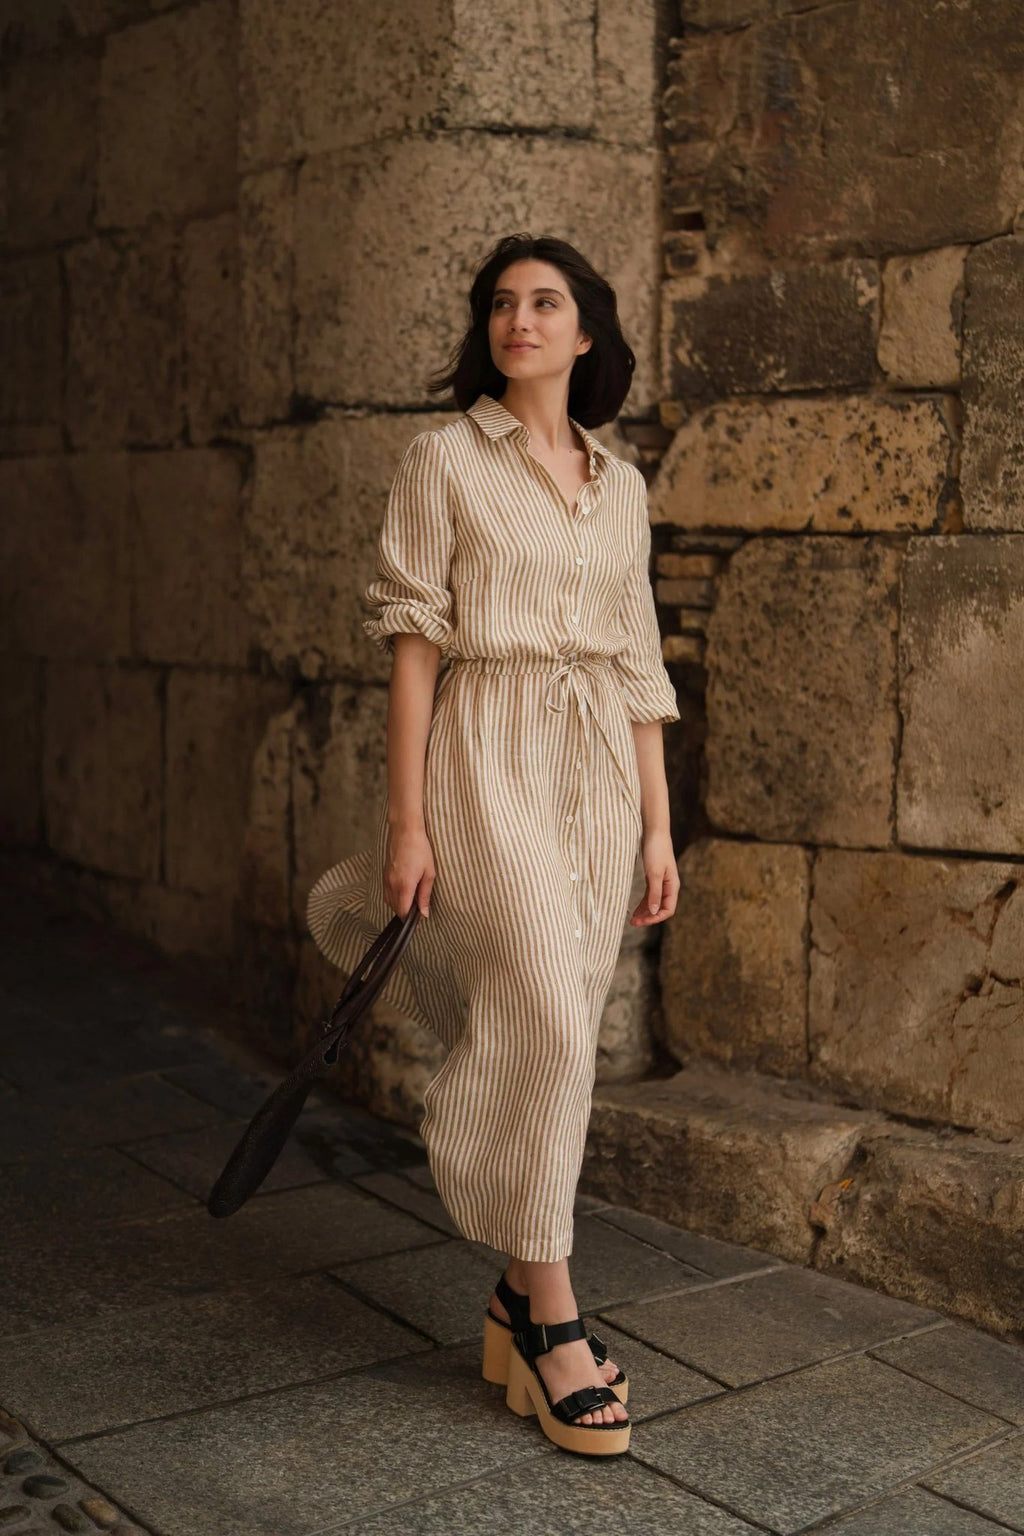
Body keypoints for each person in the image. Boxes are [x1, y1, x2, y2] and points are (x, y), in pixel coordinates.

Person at [307, 232, 680, 1457]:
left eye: (544, 302)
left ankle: (519, 1294)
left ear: (586, 335)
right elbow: (413, 645)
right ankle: (554, 1317)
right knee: (550, 1018)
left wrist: (659, 825)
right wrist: (406, 819)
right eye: (501, 304)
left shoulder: (620, 486)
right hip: (487, 750)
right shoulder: (444, 460)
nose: (518, 320)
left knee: (562, 1021)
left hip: (597, 779)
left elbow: (637, 663)